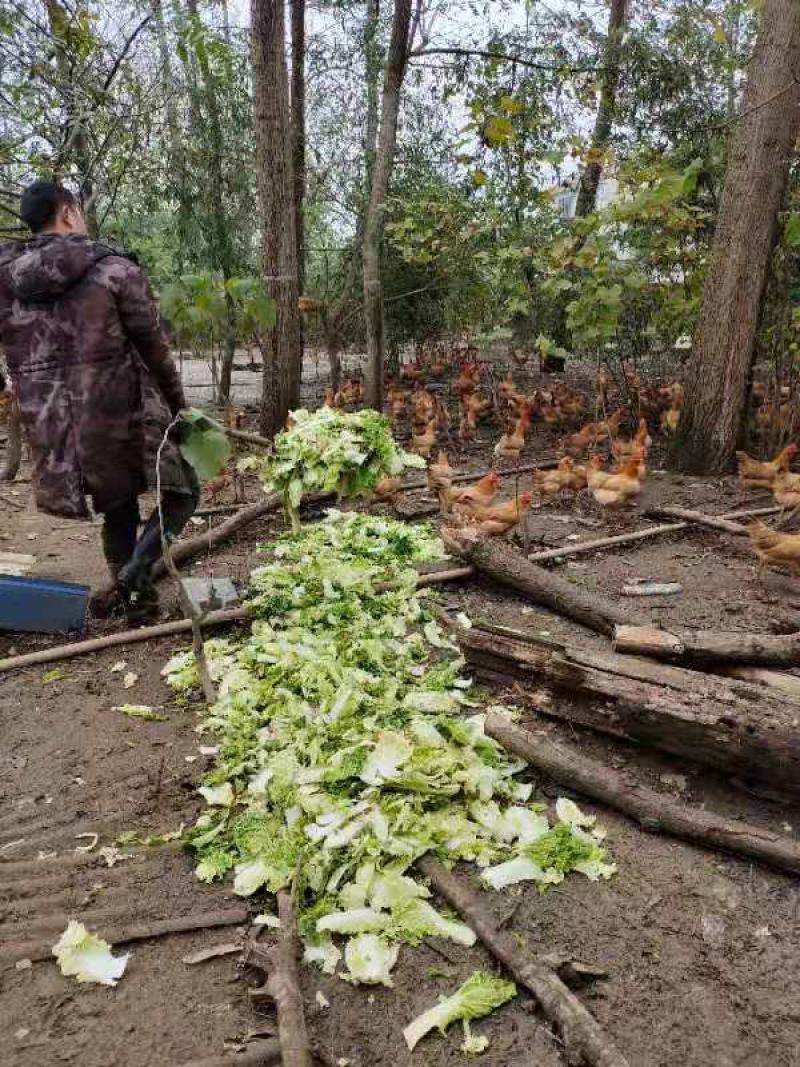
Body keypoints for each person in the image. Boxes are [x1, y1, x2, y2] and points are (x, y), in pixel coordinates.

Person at [0, 180, 198, 623]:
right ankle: (133, 577)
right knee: (184, 493)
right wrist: (178, 408)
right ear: (68, 212)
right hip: (118, 409)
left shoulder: (7, 279)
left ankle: (140, 606)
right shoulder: (112, 270)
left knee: (117, 506)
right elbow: (154, 348)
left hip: (55, 424)